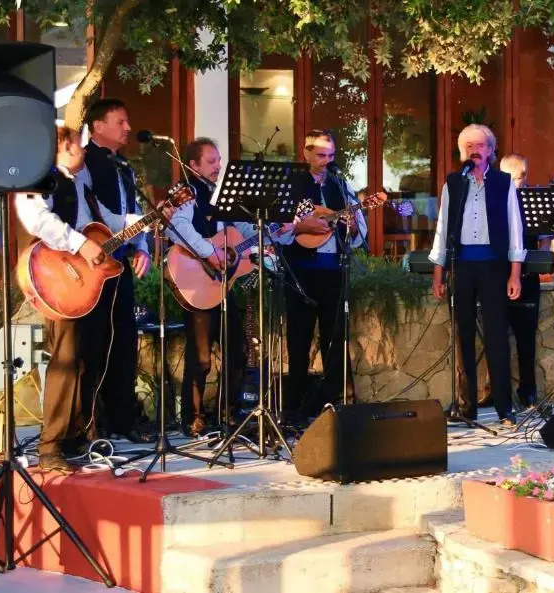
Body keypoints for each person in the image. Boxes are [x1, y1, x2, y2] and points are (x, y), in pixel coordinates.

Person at [15, 127, 171, 472]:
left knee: (88, 359)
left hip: (85, 283)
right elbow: (37, 220)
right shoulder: (43, 180)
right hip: (59, 279)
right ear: (58, 149)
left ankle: (78, 435)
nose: (83, 151)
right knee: (66, 361)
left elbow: (111, 223)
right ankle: (50, 446)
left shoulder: (82, 183)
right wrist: (79, 243)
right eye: (75, 146)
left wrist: (150, 220)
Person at [167, 138, 292, 436]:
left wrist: (277, 229)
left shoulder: (221, 195)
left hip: (221, 285)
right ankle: (193, 418)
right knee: (200, 357)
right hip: (197, 280)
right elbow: (178, 228)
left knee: (238, 351)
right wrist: (209, 252)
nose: (218, 166)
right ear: (193, 165)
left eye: (219, 160)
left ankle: (228, 414)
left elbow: (241, 233)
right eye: (211, 161)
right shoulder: (189, 192)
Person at [430, 125, 524, 426]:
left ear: (490, 150)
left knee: (496, 337)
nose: (475, 150)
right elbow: (443, 229)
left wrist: (515, 274)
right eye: (469, 146)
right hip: (461, 267)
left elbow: (515, 229)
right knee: (463, 336)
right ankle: (466, 406)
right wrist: (438, 273)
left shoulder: (503, 182)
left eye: (480, 145)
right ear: (462, 152)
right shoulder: (453, 183)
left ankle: (504, 407)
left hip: (494, 267)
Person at [280, 130, 367, 424]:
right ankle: (294, 409)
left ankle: (331, 402)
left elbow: (358, 233)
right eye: (320, 155)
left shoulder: (341, 186)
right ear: (306, 153)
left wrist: (352, 227)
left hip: (333, 270)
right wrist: (302, 227)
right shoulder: (292, 185)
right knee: (299, 340)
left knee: (335, 338)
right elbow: (276, 229)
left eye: (330, 156)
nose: (326, 161)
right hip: (300, 272)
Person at [81, 98, 152, 442]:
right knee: (94, 341)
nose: (128, 128)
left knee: (124, 339)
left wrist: (142, 247)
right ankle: (92, 421)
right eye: (120, 122)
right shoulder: (84, 162)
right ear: (98, 126)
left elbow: (133, 211)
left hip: (120, 262)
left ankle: (124, 417)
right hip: (90, 265)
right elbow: (91, 216)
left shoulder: (123, 164)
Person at [499, 153, 552, 407]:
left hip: (528, 278)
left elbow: (545, 238)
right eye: (512, 179)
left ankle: (527, 390)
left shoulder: (534, 201)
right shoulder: (494, 199)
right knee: (495, 338)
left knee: (526, 339)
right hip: (497, 277)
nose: (517, 183)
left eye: (521, 177)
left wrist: (542, 258)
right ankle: (496, 390)